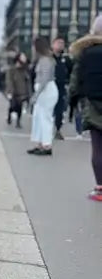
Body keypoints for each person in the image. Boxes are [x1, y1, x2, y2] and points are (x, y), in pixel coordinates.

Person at [68, 14, 102, 201]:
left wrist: (73, 100)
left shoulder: (85, 53)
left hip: (93, 105)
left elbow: (75, 80)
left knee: (98, 149)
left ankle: (100, 188)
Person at [28, 36, 58, 156]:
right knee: (39, 117)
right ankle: (41, 143)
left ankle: (46, 145)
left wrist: (36, 94)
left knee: (44, 117)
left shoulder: (45, 60)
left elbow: (44, 79)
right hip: (45, 90)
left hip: (46, 91)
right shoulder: (46, 59)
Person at [52, 37, 73, 141]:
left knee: (60, 109)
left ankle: (58, 129)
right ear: (53, 44)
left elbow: (71, 71)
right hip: (50, 86)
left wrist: (67, 82)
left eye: (62, 43)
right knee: (49, 109)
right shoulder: (49, 58)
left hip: (61, 87)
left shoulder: (66, 59)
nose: (61, 45)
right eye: (58, 43)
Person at [6, 53, 31, 128]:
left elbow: (27, 81)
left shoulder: (25, 69)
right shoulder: (12, 69)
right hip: (14, 90)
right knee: (13, 106)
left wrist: (28, 92)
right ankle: (9, 115)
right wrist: (9, 91)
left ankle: (18, 122)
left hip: (22, 91)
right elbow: (9, 80)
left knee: (20, 106)